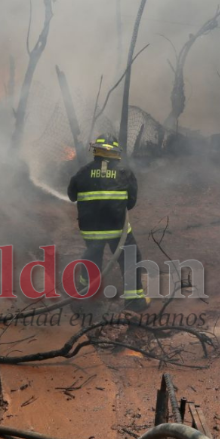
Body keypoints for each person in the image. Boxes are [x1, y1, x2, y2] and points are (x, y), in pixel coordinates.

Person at [67, 134, 150, 312]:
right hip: (117, 230)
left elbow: (72, 196)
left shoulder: (82, 172)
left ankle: (87, 296)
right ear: (115, 152)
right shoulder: (125, 173)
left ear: (96, 151)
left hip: (90, 231)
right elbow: (131, 203)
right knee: (130, 257)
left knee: (92, 256)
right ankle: (134, 301)